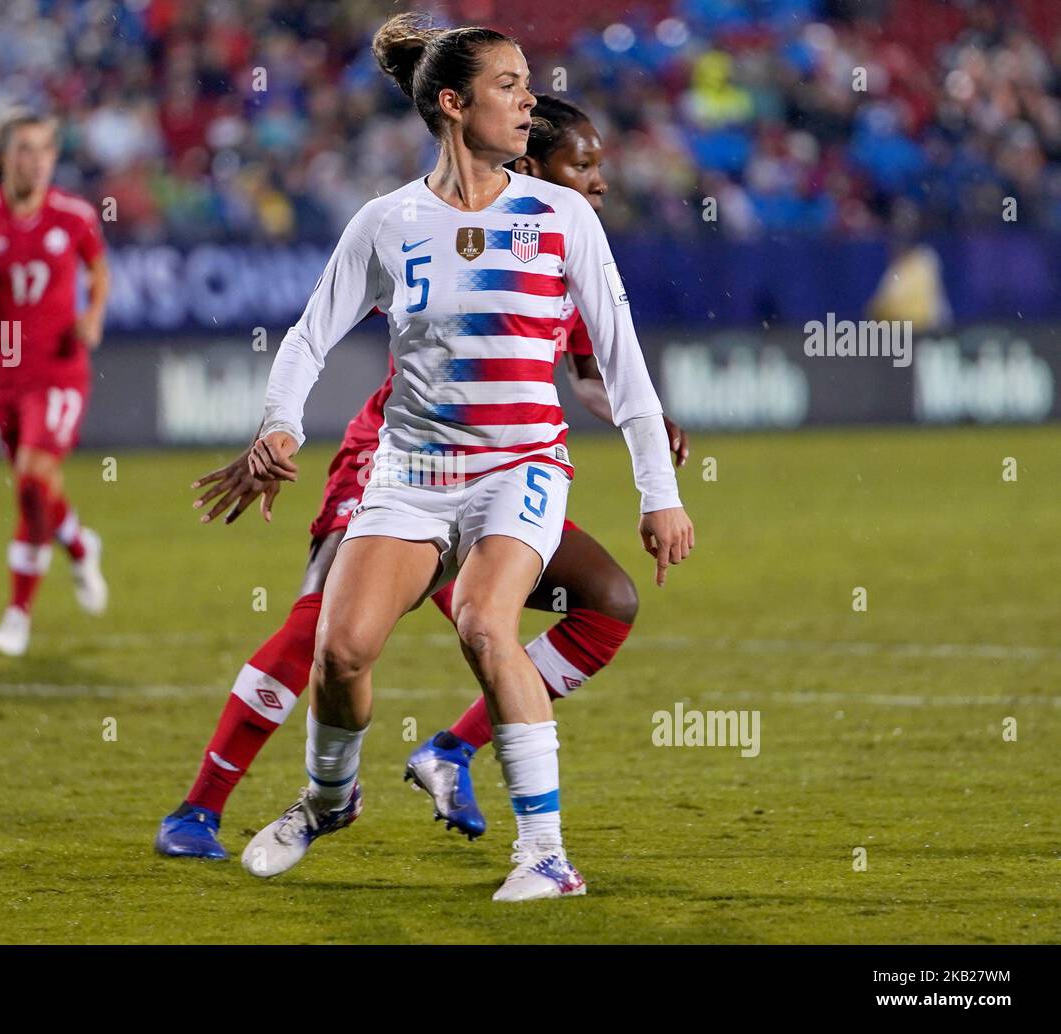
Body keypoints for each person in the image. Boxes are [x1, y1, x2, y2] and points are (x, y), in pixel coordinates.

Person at [156, 94, 689, 863]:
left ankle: (453, 750)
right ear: (529, 165)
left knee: (605, 603)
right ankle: (202, 808)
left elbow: (592, 370)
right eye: (585, 164)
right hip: (394, 461)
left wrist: (643, 424)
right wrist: (277, 427)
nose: (600, 182)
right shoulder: (431, 230)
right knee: (327, 635)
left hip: (502, 474)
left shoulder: (565, 249)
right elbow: (318, 330)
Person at [0, 112, 111, 657]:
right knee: (34, 485)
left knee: (33, 481)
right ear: (5, 158)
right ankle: (80, 542)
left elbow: (99, 270)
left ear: (53, 158)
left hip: (60, 369)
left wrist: (94, 315)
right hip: (3, 374)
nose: (34, 161)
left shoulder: (76, 216)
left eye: (43, 151)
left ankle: (17, 615)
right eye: (24, 150)